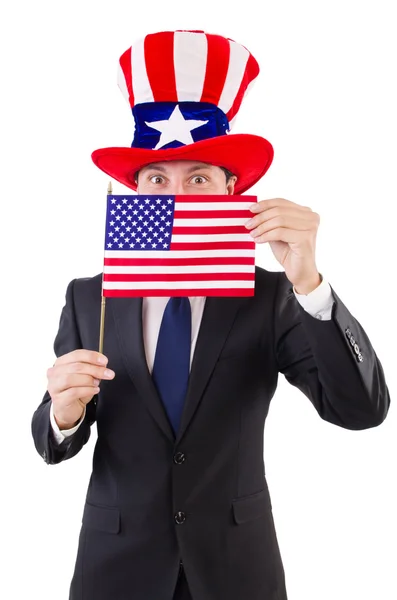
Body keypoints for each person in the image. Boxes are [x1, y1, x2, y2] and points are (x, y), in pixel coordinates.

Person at [31, 30, 390, 600]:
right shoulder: (89, 296)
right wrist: (64, 412)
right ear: (132, 193)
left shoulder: (271, 297)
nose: (176, 196)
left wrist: (311, 285)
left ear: (231, 193)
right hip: (115, 568)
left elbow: (361, 410)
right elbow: (51, 444)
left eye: (198, 178)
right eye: (156, 179)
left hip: (235, 570)